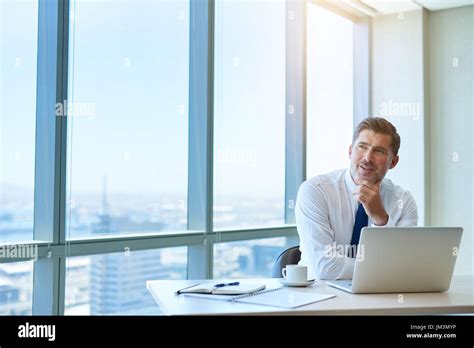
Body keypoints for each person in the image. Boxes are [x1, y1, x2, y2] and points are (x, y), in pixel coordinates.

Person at [295, 117, 418, 280]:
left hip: (380, 297)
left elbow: (405, 265)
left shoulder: (404, 201)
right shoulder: (315, 191)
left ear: (393, 162)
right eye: (362, 147)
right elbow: (326, 267)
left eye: (379, 151)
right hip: (319, 296)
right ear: (350, 151)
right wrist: (388, 270)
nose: (367, 157)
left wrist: (380, 219)